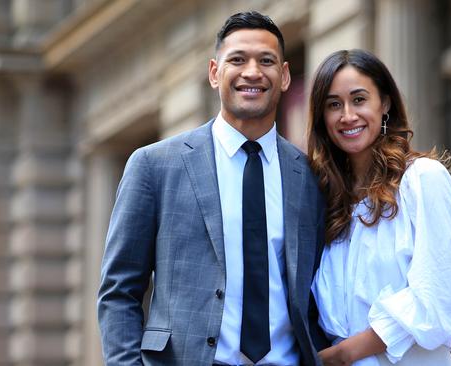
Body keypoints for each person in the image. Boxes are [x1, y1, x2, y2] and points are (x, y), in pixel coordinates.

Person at [98, 11, 327, 365]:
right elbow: (119, 292)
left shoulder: (309, 178)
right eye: (237, 59)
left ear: (283, 76)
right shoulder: (154, 166)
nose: (252, 71)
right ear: (214, 72)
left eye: (266, 61)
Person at [307, 49, 451, 366]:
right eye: (333, 105)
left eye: (359, 99)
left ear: (384, 104)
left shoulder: (422, 180)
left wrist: (341, 355)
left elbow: (440, 297)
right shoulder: (327, 203)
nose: (347, 116)